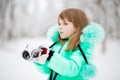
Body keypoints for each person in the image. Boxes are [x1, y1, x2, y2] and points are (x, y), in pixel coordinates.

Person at [33, 8, 104, 80]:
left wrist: (51, 56)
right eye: (59, 23)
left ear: (77, 27)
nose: (60, 27)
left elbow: (72, 69)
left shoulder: (83, 45)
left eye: (65, 24)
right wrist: (41, 61)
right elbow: (48, 70)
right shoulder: (58, 43)